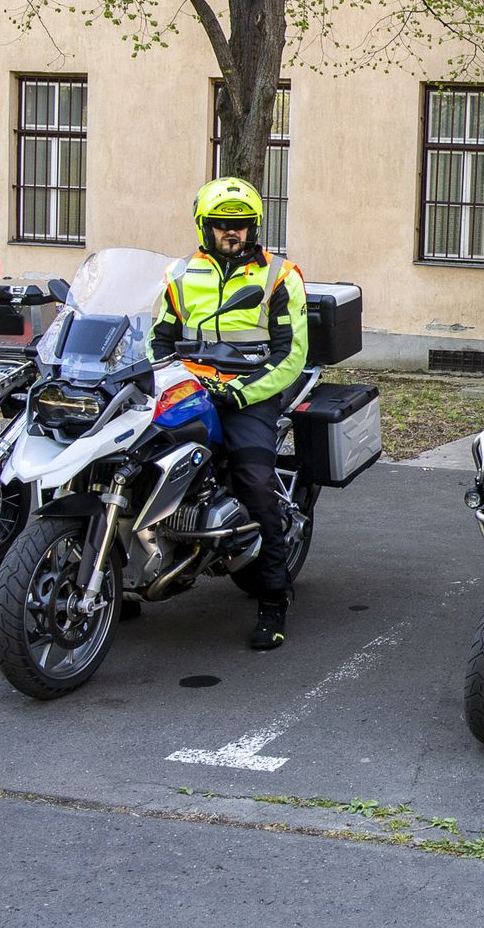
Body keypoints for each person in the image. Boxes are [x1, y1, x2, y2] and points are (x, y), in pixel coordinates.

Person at [152, 177, 308, 651]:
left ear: (254, 227)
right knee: (134, 460)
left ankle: (273, 599)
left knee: (256, 483)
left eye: (240, 225)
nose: (231, 233)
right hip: (187, 387)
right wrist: (160, 376)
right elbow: (157, 337)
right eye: (221, 225)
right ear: (204, 226)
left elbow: (291, 354)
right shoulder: (179, 273)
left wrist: (243, 393)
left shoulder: (279, 275)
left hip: (251, 391)